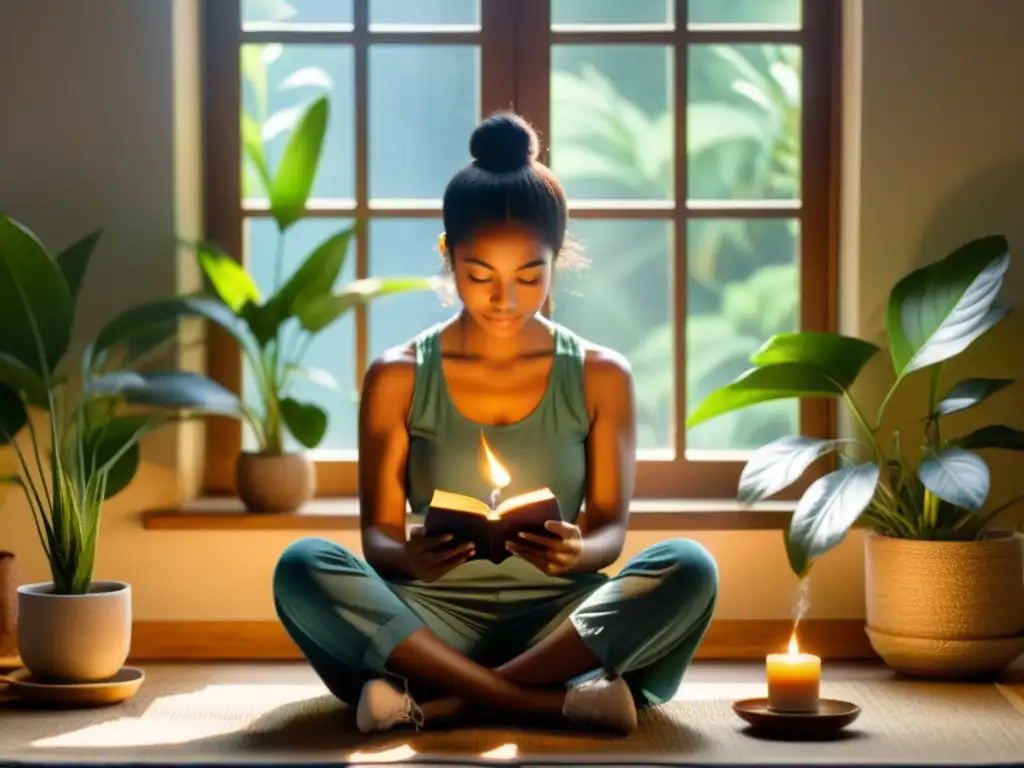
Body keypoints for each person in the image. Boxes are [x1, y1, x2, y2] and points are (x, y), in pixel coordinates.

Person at [272, 112, 719, 735]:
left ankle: (441, 702)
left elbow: (610, 535)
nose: (504, 300)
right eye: (479, 275)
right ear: (447, 255)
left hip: (561, 616)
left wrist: (575, 552)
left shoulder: (601, 375)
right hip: (430, 617)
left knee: (690, 566)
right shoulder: (398, 375)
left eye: (529, 277)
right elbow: (377, 540)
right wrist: (412, 558)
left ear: (557, 261)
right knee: (302, 566)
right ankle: (551, 701)